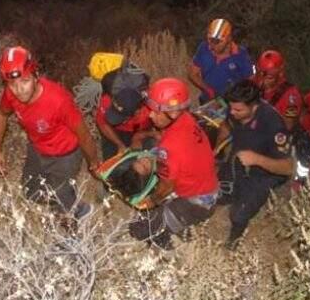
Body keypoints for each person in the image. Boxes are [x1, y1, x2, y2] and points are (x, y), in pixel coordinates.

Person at [0, 46, 100, 219]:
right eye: (12, 84)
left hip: (65, 154)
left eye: (25, 81)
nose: (20, 89)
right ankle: (74, 204)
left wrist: (94, 164)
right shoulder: (11, 94)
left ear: (35, 76)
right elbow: (2, 114)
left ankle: (69, 237)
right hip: (37, 148)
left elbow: (84, 135)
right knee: (31, 191)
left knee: (61, 205)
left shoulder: (58, 100)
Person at [128, 78, 219, 250]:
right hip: (206, 187)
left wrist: (150, 202)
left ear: (173, 113)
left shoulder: (171, 148)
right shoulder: (186, 119)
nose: (150, 114)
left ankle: (170, 246)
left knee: (138, 229)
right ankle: (176, 224)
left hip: (197, 202)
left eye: (156, 111)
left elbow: (166, 187)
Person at [216, 80, 295, 250]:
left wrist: (256, 159)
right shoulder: (234, 110)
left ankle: (233, 243)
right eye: (231, 108)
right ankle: (230, 195)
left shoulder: (273, 125)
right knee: (216, 191)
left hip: (265, 174)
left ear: (254, 107)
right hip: (239, 159)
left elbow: (288, 168)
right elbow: (225, 127)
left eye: (238, 110)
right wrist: (215, 151)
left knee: (238, 214)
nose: (232, 112)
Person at [188, 18, 254, 104]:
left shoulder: (240, 55)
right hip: (208, 101)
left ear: (229, 39)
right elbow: (192, 74)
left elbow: (250, 80)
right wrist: (208, 90)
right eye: (210, 40)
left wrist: (239, 97)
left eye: (217, 42)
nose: (211, 46)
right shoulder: (204, 48)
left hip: (232, 103)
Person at [95, 84, 153, 160]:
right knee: (111, 164)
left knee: (143, 161)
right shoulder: (107, 100)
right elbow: (103, 124)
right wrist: (120, 144)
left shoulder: (150, 112)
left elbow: (159, 133)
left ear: (137, 112)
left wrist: (139, 136)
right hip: (114, 130)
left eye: (121, 117)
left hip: (141, 131)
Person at [253, 48, 303, 131]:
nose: (263, 80)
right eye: (260, 74)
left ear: (280, 74)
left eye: (269, 77)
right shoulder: (256, 80)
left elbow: (288, 124)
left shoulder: (292, 97)